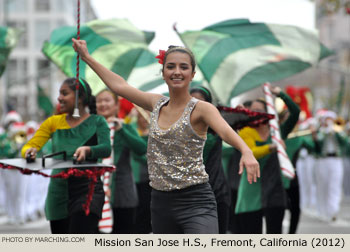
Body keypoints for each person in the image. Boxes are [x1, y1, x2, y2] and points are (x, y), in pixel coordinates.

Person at [72, 39, 259, 234]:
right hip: (161, 204)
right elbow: (119, 86)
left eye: (183, 67)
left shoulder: (202, 109)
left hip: (196, 201)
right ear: (163, 73)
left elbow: (225, 131)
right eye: (170, 66)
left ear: (192, 74)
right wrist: (86, 57)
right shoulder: (156, 103)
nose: (177, 71)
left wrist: (246, 151)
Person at [21, 78, 111, 234]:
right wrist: (29, 152)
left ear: (80, 98)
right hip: (58, 192)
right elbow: (30, 146)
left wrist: (88, 150)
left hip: (87, 190)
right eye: (59, 93)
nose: (59, 98)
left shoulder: (98, 122)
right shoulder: (53, 122)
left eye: (65, 93)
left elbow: (106, 149)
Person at [235, 85, 300, 234]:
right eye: (254, 111)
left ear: (268, 113)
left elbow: (295, 112)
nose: (256, 114)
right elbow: (252, 152)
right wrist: (272, 147)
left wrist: (280, 94)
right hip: (251, 189)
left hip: (275, 191)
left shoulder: (278, 132)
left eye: (260, 111)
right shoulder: (246, 131)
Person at [96, 89, 147, 234]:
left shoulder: (125, 127)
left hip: (122, 192)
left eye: (107, 100)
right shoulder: (91, 128)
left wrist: (121, 130)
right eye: (99, 101)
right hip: (98, 190)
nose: (103, 104)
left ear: (116, 105)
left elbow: (141, 148)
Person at [190, 86, 231, 234]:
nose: (197, 106)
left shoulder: (218, 128)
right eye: (192, 101)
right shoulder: (180, 131)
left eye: (201, 102)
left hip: (218, 194)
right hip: (191, 197)